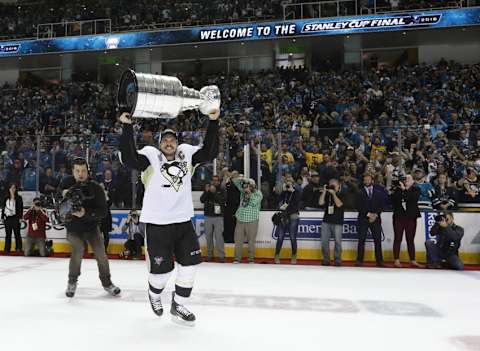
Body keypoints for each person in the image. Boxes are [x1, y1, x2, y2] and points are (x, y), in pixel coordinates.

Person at [118, 108, 219, 326]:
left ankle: (178, 304)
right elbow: (128, 158)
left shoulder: (187, 156)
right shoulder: (150, 158)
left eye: (173, 139)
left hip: (183, 223)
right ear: (160, 143)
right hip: (157, 225)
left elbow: (210, 152)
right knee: (162, 274)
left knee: (189, 266)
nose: (169, 142)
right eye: (165, 140)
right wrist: (126, 126)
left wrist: (213, 121)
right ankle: (154, 294)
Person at [60, 158, 121, 298]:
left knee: (101, 255)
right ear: (73, 171)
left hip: (92, 228)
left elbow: (103, 212)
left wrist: (85, 213)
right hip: (73, 229)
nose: (80, 174)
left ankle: (107, 283)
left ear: (87, 171)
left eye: (83, 171)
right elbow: (58, 205)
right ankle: (72, 282)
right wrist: (65, 203)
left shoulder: (96, 187)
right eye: (77, 171)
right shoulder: (66, 184)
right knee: (78, 250)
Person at [390, 174, 423, 268]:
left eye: (408, 178)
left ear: (413, 180)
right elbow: (394, 200)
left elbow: (412, 199)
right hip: (399, 217)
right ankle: (396, 260)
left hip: (411, 218)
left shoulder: (416, 189)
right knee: (397, 238)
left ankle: (412, 260)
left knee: (410, 239)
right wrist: (401, 189)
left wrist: (405, 189)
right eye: (405, 179)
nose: (406, 180)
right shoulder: (398, 189)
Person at [355, 173, 386, 267]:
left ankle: (379, 261)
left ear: (372, 180)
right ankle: (359, 260)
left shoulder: (379, 193)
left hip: (376, 220)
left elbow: (382, 205)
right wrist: (369, 215)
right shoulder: (359, 192)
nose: (367, 181)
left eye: (368, 179)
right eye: (365, 180)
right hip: (363, 219)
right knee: (361, 240)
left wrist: (375, 215)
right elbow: (357, 206)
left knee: (377, 241)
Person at [232, 177, 263, 264]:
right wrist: (243, 179)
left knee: (251, 241)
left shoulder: (258, 194)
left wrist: (249, 193)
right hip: (240, 219)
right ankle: (237, 258)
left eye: (249, 186)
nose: (246, 187)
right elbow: (236, 182)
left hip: (252, 220)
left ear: (253, 186)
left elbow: (253, 203)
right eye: (246, 186)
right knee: (238, 240)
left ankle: (251, 259)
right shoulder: (243, 191)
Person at [274, 180, 301, 265]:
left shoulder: (296, 192)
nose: (288, 185)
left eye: (290, 184)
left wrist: (293, 191)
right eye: (287, 184)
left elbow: (297, 202)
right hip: (283, 216)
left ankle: (294, 255)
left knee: (293, 237)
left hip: (293, 215)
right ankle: (277, 255)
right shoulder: (284, 192)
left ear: (293, 184)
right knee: (280, 236)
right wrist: (283, 191)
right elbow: (278, 200)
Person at [319, 178, 345, 266]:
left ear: (338, 185)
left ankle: (337, 260)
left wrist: (334, 194)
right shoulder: (327, 194)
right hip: (326, 221)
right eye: (331, 184)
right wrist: (324, 192)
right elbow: (320, 203)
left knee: (338, 241)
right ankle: (326, 259)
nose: (332, 186)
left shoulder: (342, 193)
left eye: (334, 185)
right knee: (324, 241)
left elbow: (339, 204)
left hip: (337, 222)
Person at [200, 175, 226, 262]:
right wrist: (207, 192)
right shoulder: (208, 189)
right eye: (213, 180)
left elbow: (223, 201)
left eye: (216, 180)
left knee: (219, 237)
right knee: (208, 237)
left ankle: (222, 256)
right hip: (208, 216)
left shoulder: (222, 190)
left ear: (219, 181)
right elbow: (202, 200)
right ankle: (210, 255)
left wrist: (214, 192)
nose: (214, 182)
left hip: (218, 217)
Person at [2, 183, 23, 253]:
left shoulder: (19, 198)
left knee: (17, 233)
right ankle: (7, 248)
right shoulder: (5, 198)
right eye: (11, 188)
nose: (12, 189)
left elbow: (20, 208)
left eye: (14, 188)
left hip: (16, 218)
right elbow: (3, 208)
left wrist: (20, 217)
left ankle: (18, 247)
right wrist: (2, 217)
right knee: (8, 234)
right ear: (9, 189)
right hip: (7, 218)